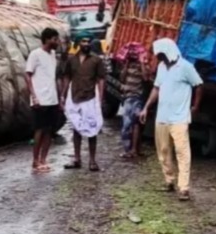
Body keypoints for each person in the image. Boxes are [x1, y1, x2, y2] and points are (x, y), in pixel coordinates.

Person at [139, 38, 203, 201]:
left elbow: (199, 85)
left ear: (167, 52)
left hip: (179, 118)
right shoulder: (161, 67)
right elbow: (156, 88)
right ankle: (169, 181)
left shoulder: (186, 67)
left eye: (159, 54)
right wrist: (146, 107)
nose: (157, 57)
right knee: (163, 151)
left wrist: (195, 106)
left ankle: (184, 188)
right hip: (162, 117)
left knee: (182, 152)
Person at [61, 36, 107, 171]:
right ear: (78, 44)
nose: (86, 44)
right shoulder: (72, 60)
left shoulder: (96, 60)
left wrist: (101, 98)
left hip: (90, 97)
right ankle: (77, 159)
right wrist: (63, 94)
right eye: (83, 41)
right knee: (76, 128)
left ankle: (92, 161)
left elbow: (100, 79)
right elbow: (67, 77)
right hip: (75, 96)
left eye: (88, 41)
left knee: (92, 129)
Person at [26, 28, 61, 173]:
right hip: (40, 99)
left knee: (49, 131)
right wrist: (34, 96)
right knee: (39, 130)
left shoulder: (53, 55)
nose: (57, 42)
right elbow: (27, 75)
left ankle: (43, 160)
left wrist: (59, 97)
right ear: (47, 39)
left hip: (52, 99)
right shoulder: (35, 54)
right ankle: (35, 161)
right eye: (55, 39)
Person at [117, 42, 150, 159]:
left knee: (133, 124)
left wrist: (141, 63)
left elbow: (146, 77)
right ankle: (131, 149)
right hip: (127, 96)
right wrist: (126, 65)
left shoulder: (144, 66)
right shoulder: (127, 65)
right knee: (129, 125)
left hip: (136, 97)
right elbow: (122, 78)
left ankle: (132, 150)